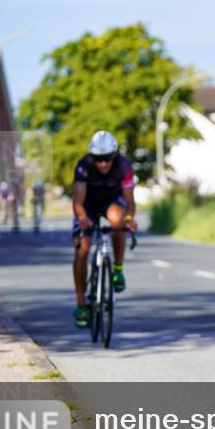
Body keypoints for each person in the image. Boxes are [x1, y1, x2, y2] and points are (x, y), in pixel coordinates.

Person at [72, 131, 138, 327]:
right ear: (92, 157)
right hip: (88, 205)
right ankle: (81, 304)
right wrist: (82, 218)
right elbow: (77, 200)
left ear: (114, 155)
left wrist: (129, 219)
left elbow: (129, 201)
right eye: (99, 159)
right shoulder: (84, 166)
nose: (103, 164)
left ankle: (117, 268)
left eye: (107, 159)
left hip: (112, 201)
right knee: (81, 250)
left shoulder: (124, 166)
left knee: (119, 221)